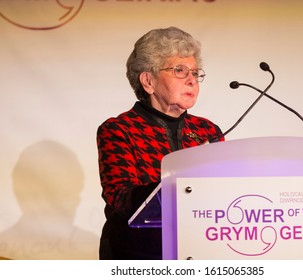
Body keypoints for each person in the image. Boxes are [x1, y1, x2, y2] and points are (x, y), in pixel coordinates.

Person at [96, 26, 224, 260]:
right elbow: (120, 198)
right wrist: (181, 187)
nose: (191, 81)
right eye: (179, 70)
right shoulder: (119, 130)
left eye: (195, 73)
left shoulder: (207, 131)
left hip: (199, 254)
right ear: (148, 81)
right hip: (140, 255)